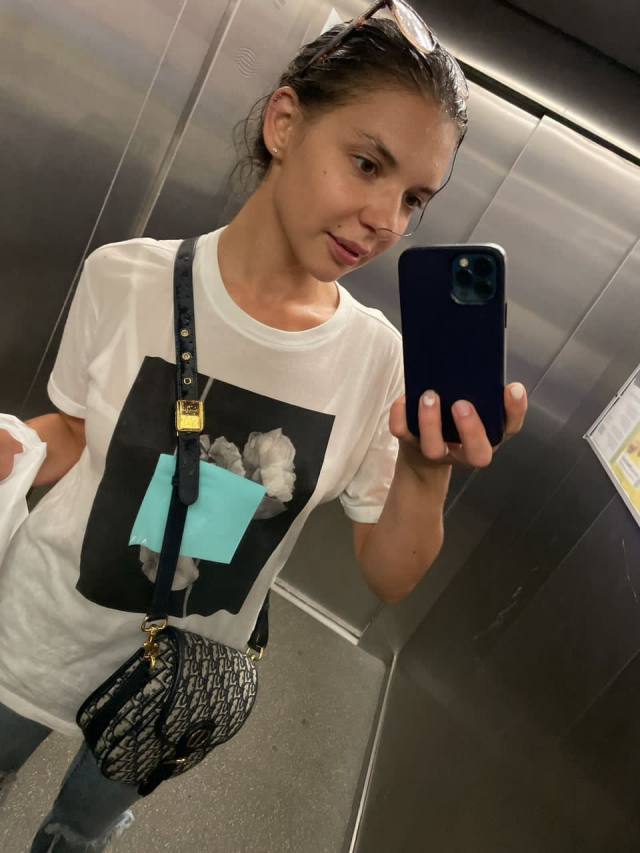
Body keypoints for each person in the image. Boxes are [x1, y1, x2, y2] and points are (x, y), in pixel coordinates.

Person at [0, 4, 528, 851]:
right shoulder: (124, 277)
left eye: (414, 198)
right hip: (41, 627)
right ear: (285, 122)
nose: (388, 220)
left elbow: (389, 573)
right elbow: (73, 429)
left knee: (79, 832)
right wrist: (17, 446)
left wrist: (427, 473)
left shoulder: (377, 361)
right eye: (367, 164)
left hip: (179, 676)